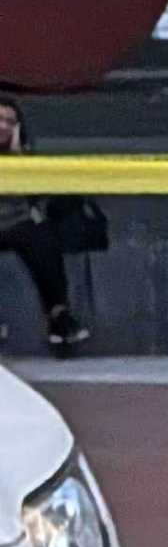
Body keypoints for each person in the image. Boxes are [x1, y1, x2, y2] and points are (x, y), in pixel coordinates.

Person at [0, 95, 99, 360]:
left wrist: (19, 157)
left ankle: (59, 316)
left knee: (42, 240)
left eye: (10, 122)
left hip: (16, 224)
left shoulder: (25, 155)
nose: (3, 126)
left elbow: (36, 195)